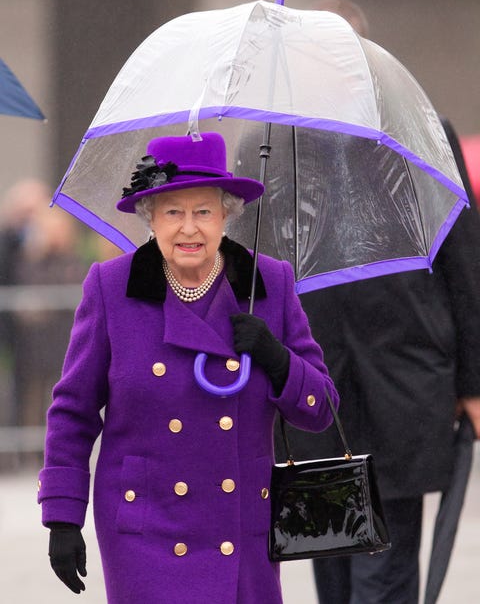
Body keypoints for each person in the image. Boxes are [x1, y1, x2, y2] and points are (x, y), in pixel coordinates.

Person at [37, 131, 339, 604]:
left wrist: (277, 359)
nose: (189, 228)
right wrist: (62, 515)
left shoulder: (270, 285)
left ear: (226, 216)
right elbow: (72, 411)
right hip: (145, 534)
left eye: (203, 212)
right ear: (150, 219)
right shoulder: (111, 288)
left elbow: (320, 410)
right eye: (173, 212)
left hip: (238, 527)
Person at [274, 0, 480, 604]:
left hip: (404, 389)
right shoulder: (269, 148)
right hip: (315, 396)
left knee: (384, 578)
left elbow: (463, 264)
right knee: (335, 575)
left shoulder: (421, 133)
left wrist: (472, 382)